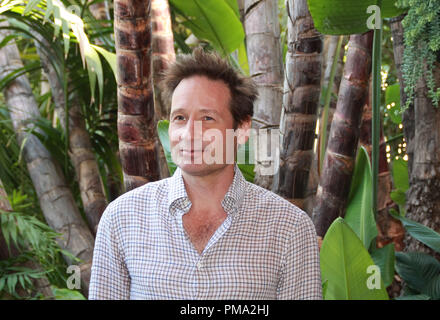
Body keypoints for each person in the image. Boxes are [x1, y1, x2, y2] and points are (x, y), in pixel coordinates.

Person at [88, 47, 322, 300]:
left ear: (242, 130)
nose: (189, 134)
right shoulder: (122, 218)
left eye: (207, 118)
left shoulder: (289, 228)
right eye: (180, 117)